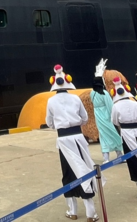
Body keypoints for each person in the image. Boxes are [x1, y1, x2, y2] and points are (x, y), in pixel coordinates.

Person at [45, 65, 100, 221]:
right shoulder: (75, 98)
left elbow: (49, 122)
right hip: (78, 137)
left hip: (63, 139)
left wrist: (60, 125)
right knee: (84, 169)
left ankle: (72, 210)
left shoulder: (51, 101)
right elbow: (85, 118)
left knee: (68, 173)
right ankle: (91, 212)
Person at [90, 60, 124, 164]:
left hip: (98, 116)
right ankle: (119, 155)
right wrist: (114, 118)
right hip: (107, 116)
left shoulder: (92, 93)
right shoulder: (104, 93)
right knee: (114, 134)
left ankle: (106, 158)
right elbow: (110, 106)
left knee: (103, 136)